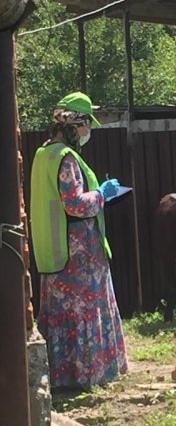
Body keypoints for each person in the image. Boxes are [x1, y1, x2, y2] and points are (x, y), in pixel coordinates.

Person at [29, 91, 128, 389]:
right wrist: (103, 194)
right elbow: (75, 204)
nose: (88, 133)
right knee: (86, 308)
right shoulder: (66, 158)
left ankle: (60, 374)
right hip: (79, 251)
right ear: (74, 125)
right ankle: (90, 373)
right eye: (87, 125)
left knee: (60, 313)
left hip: (53, 246)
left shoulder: (41, 154)